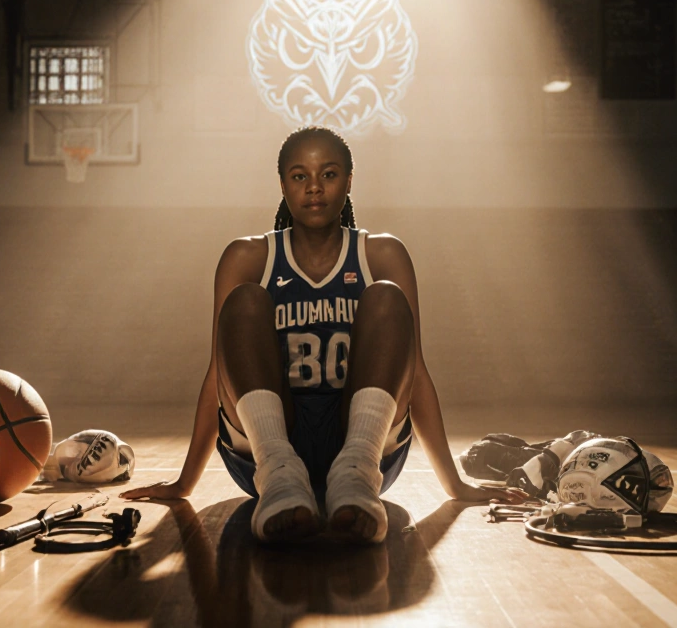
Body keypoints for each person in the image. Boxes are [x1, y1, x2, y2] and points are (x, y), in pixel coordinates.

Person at [122, 126, 525, 543]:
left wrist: (455, 485)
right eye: (300, 176)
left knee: (387, 299)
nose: (314, 188)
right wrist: (184, 483)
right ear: (282, 184)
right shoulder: (249, 257)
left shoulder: (381, 254)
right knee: (243, 302)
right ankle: (280, 474)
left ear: (349, 181)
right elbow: (218, 375)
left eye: (328, 174)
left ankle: (354, 473)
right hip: (268, 448)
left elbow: (414, 373)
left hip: (363, 446)